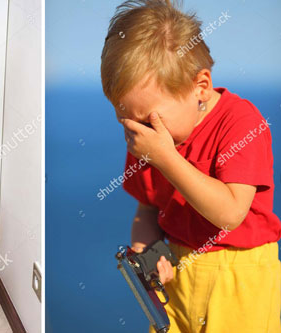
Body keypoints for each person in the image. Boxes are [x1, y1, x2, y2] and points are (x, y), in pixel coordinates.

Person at [100, 1, 281, 332]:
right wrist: (148, 249)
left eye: (147, 119)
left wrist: (167, 158)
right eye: (125, 120)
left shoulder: (241, 124)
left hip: (239, 280)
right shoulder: (150, 139)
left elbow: (229, 214)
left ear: (201, 87)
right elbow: (148, 208)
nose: (137, 132)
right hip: (179, 279)